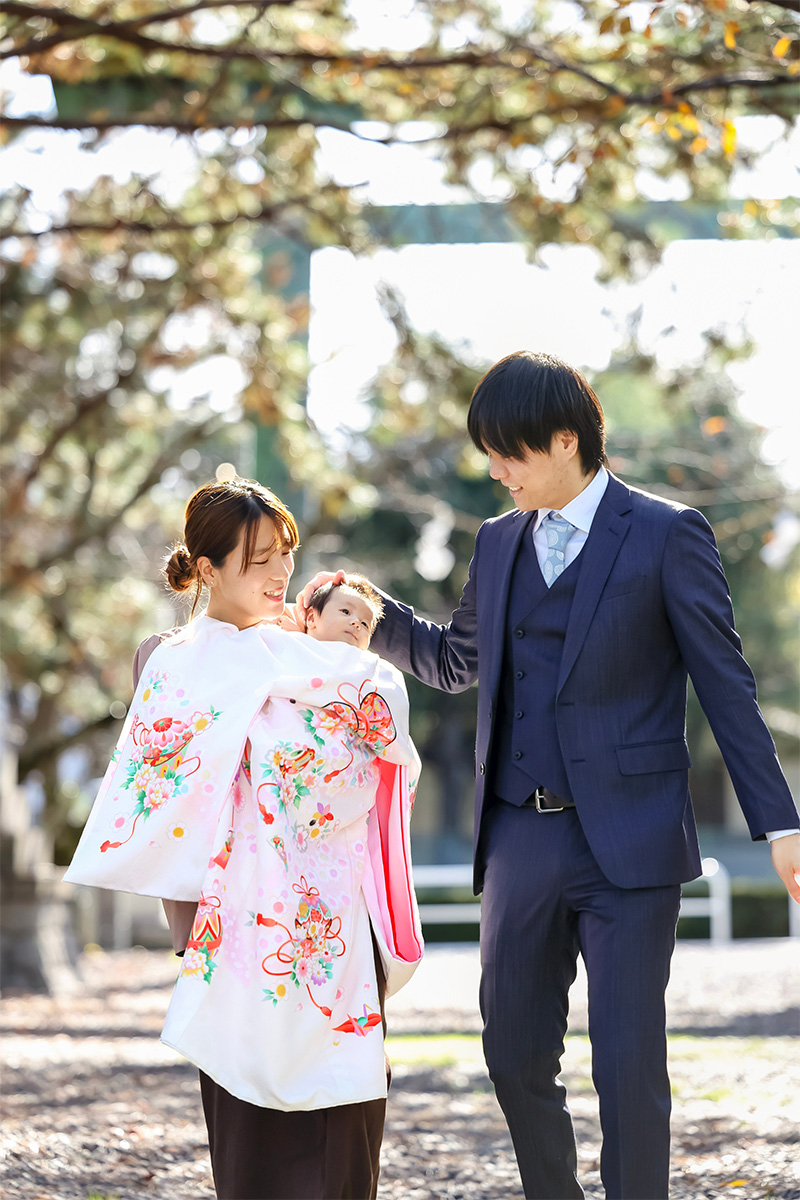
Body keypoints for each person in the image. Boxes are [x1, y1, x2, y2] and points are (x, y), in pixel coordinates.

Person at [299, 351, 800, 1200]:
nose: (498, 473)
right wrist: (373, 618)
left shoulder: (667, 532)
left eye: (511, 454)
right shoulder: (498, 543)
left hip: (632, 838)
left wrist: (781, 823)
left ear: (566, 439)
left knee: (627, 1062)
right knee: (513, 1052)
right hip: (520, 837)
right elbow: (457, 660)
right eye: (490, 456)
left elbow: (725, 684)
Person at [66, 478, 423, 1200]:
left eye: (286, 553)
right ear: (208, 568)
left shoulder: (318, 654)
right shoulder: (170, 659)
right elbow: (170, 800)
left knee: (344, 1130)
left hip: (331, 921)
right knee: (250, 1145)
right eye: (260, 558)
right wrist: (187, 933)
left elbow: (375, 744)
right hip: (233, 930)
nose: (281, 572)